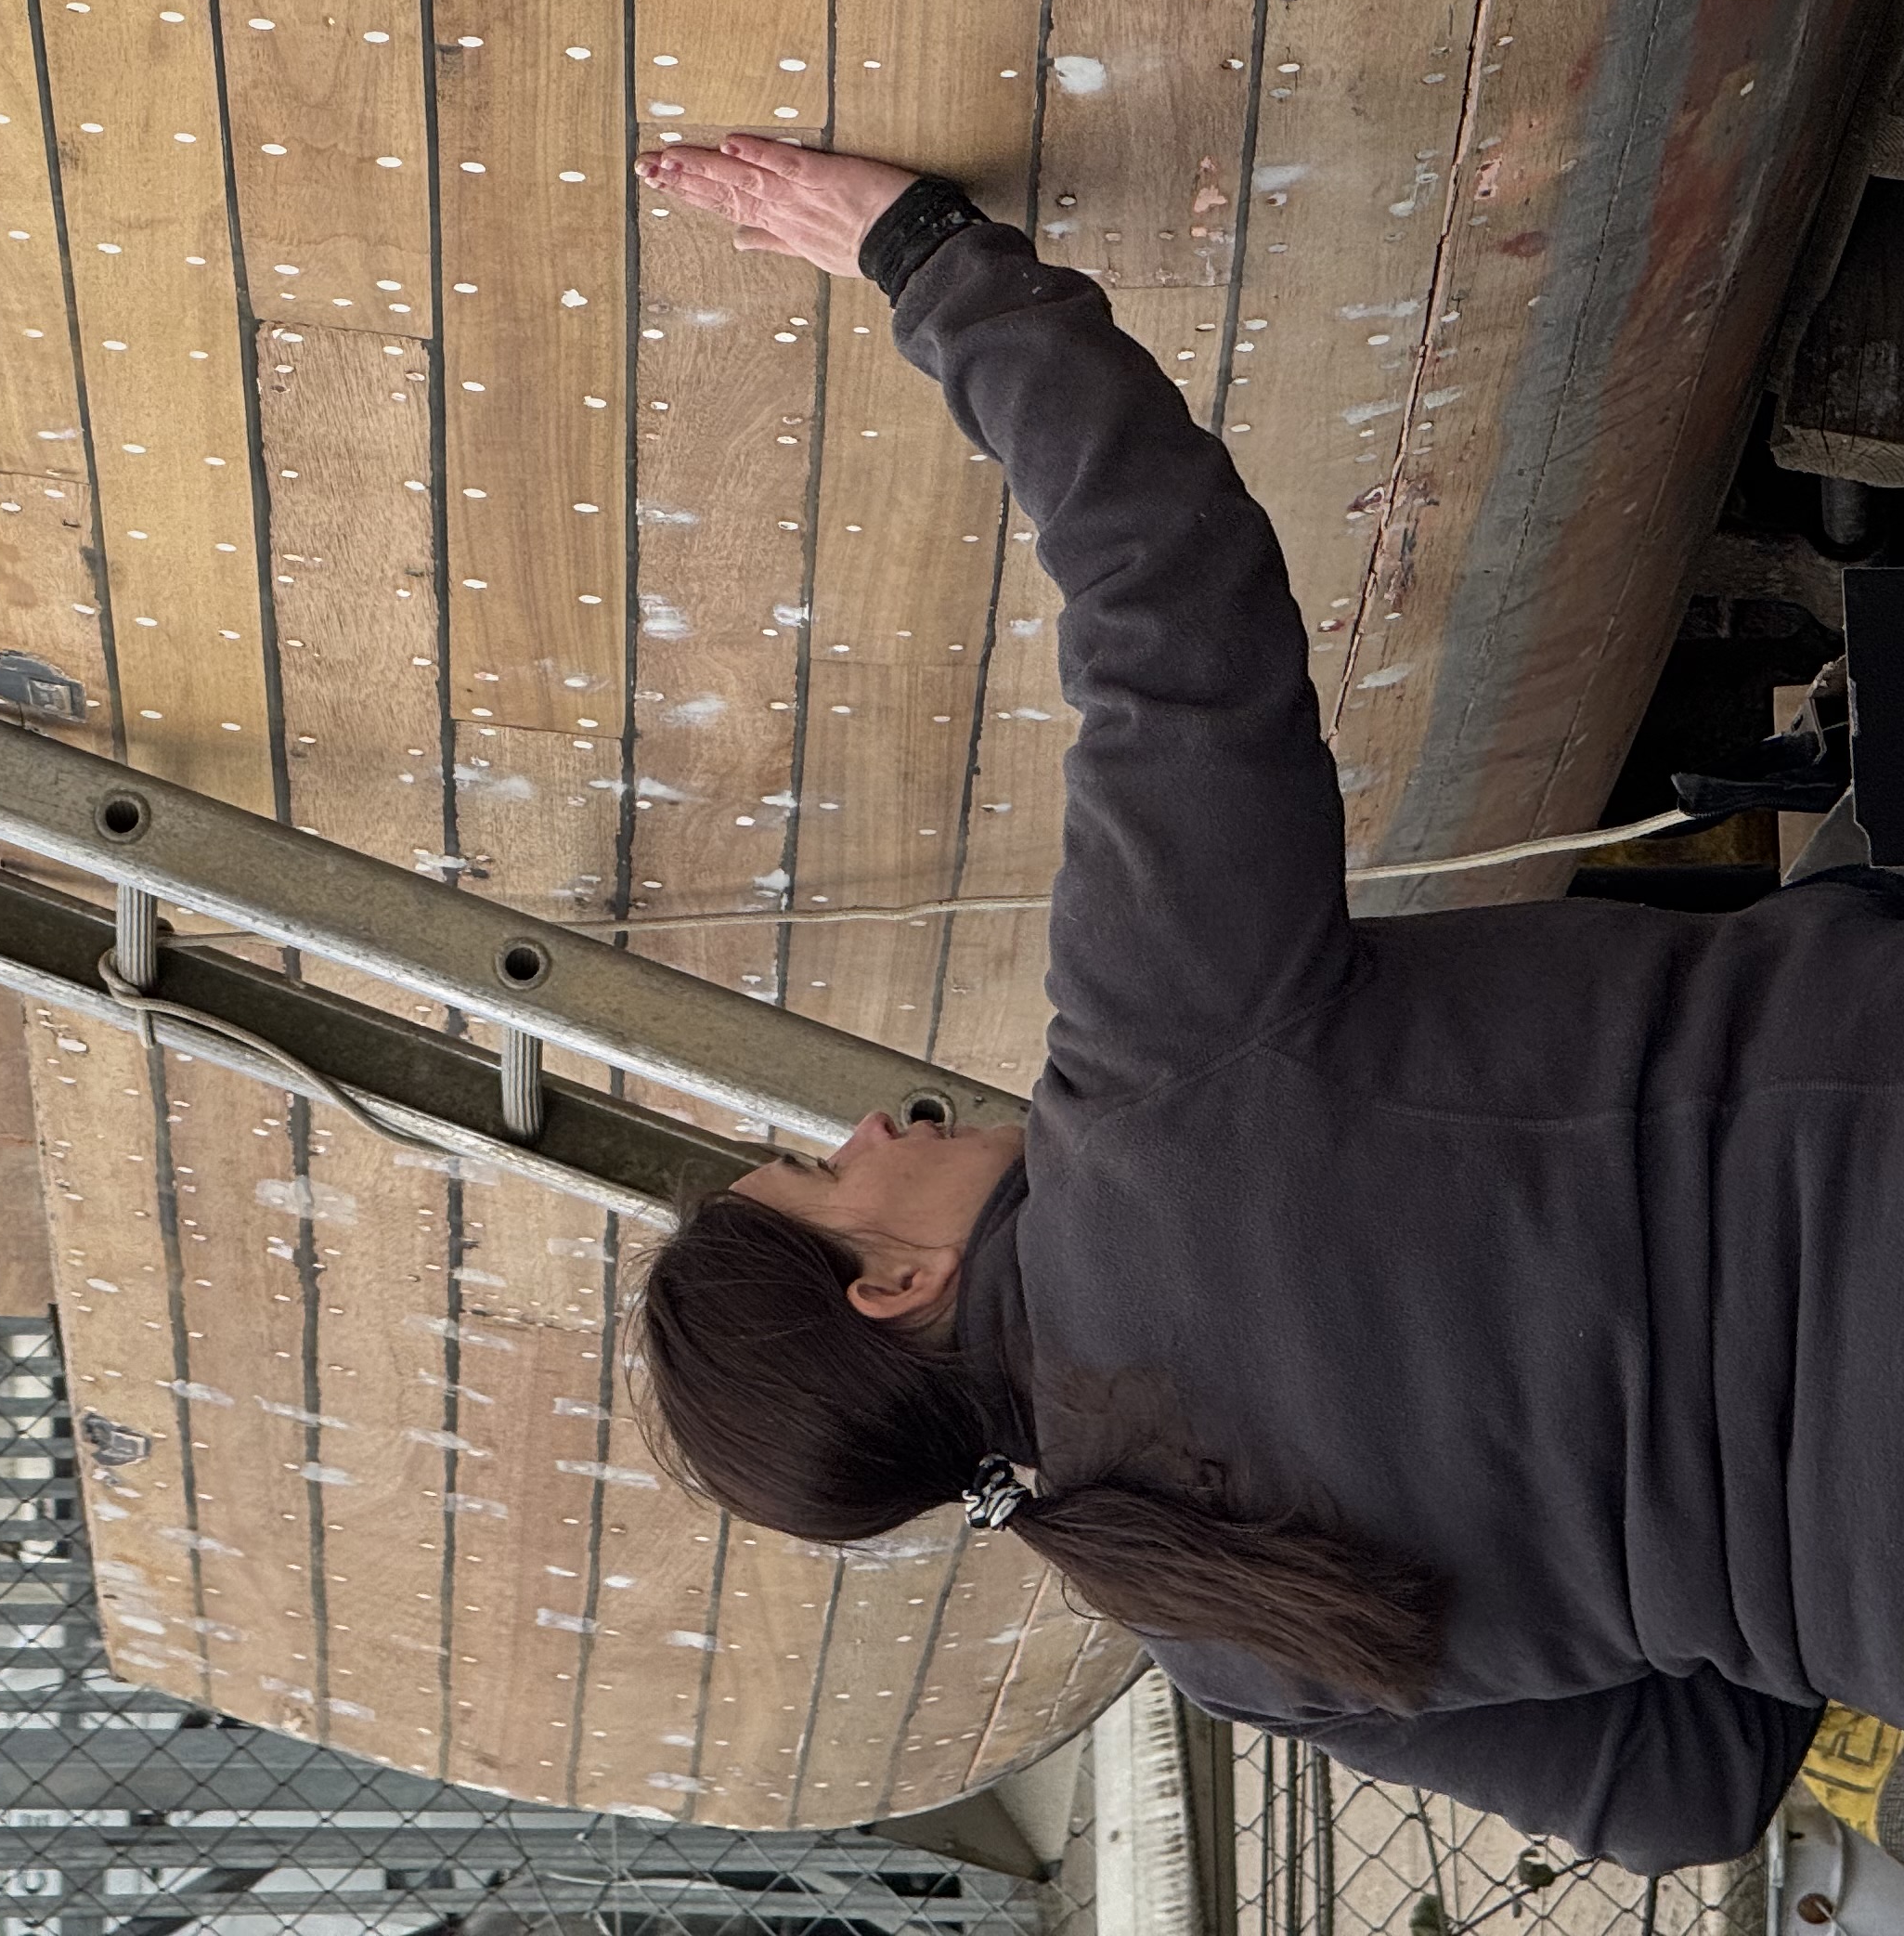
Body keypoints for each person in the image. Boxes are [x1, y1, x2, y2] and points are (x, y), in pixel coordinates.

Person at [628, 131, 1904, 1875]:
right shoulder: (1156, 1098)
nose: (862, 1127)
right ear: (893, 1286)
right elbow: (1167, 597)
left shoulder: (1227, 1645)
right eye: (823, 1171)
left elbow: (1692, 1794)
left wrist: (1756, 1540)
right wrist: (925, 256)